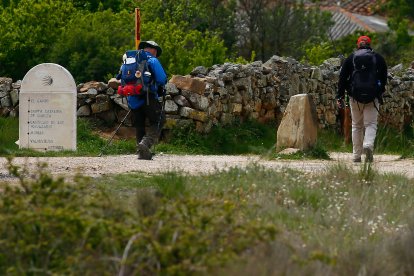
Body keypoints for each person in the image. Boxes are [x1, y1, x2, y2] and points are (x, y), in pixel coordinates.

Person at [336, 35, 387, 163]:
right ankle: (368, 145)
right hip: (372, 97)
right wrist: (379, 92)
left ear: (358, 44)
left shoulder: (351, 58)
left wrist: (340, 96)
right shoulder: (378, 58)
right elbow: (383, 78)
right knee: (370, 124)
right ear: (369, 44)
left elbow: (342, 78)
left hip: (354, 97)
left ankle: (356, 156)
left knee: (356, 125)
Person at [128, 40, 167, 160]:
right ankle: (145, 144)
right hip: (148, 96)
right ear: (153, 50)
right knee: (159, 120)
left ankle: (141, 151)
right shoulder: (152, 60)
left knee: (139, 124)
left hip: (132, 96)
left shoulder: (130, 59)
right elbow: (162, 79)